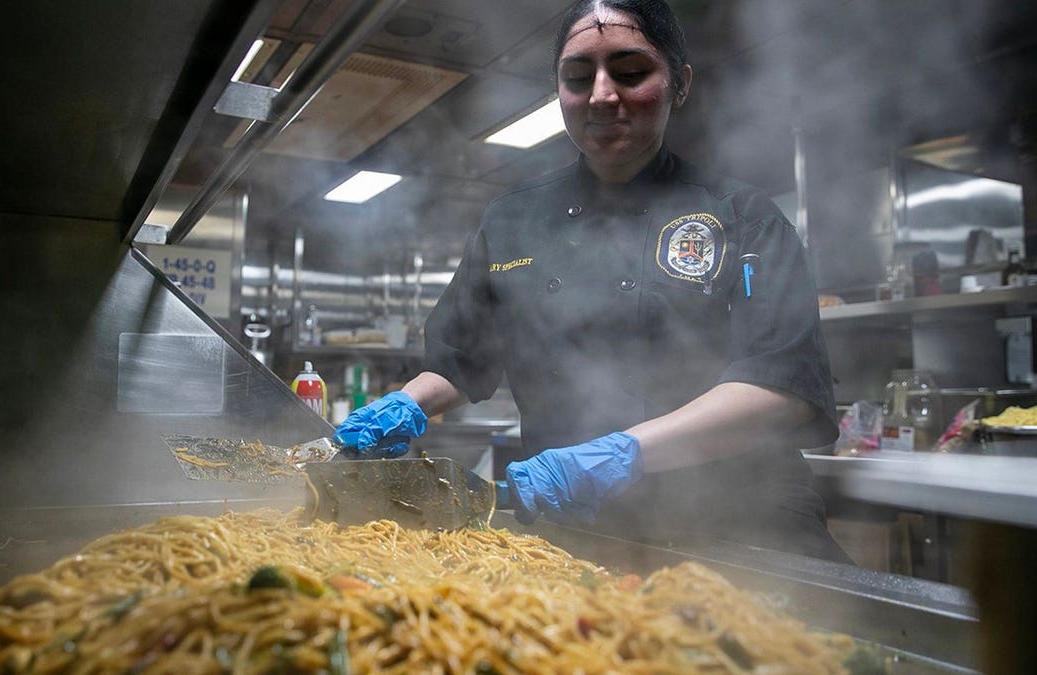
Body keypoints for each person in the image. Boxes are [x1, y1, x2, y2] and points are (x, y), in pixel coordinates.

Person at [334, 0, 849, 562]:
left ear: (679, 83)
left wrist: (621, 452)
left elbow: (780, 389)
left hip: (739, 528)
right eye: (578, 77)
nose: (603, 95)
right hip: (577, 532)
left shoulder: (741, 215)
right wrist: (405, 404)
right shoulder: (512, 220)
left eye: (630, 73)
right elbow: (462, 356)